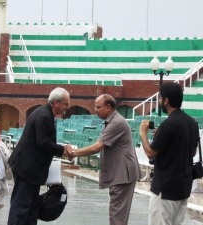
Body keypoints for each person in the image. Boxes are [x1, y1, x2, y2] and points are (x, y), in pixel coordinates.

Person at [69, 94, 141, 225]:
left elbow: (97, 147)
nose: (95, 110)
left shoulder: (117, 122)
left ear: (108, 107)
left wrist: (73, 152)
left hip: (122, 175)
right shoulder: (112, 121)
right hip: (119, 174)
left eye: (97, 107)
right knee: (117, 214)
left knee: (117, 215)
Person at [8, 87, 73, 225]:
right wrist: (63, 150)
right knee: (21, 206)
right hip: (26, 168)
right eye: (66, 104)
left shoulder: (46, 114)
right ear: (56, 102)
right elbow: (43, 143)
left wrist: (62, 149)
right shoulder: (44, 115)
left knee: (32, 207)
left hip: (32, 170)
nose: (67, 107)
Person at [139, 82, 199, 225]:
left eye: (160, 98)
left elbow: (150, 153)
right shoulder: (192, 122)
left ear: (166, 100)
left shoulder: (169, 124)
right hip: (182, 187)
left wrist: (143, 134)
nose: (160, 101)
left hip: (165, 188)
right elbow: (192, 151)